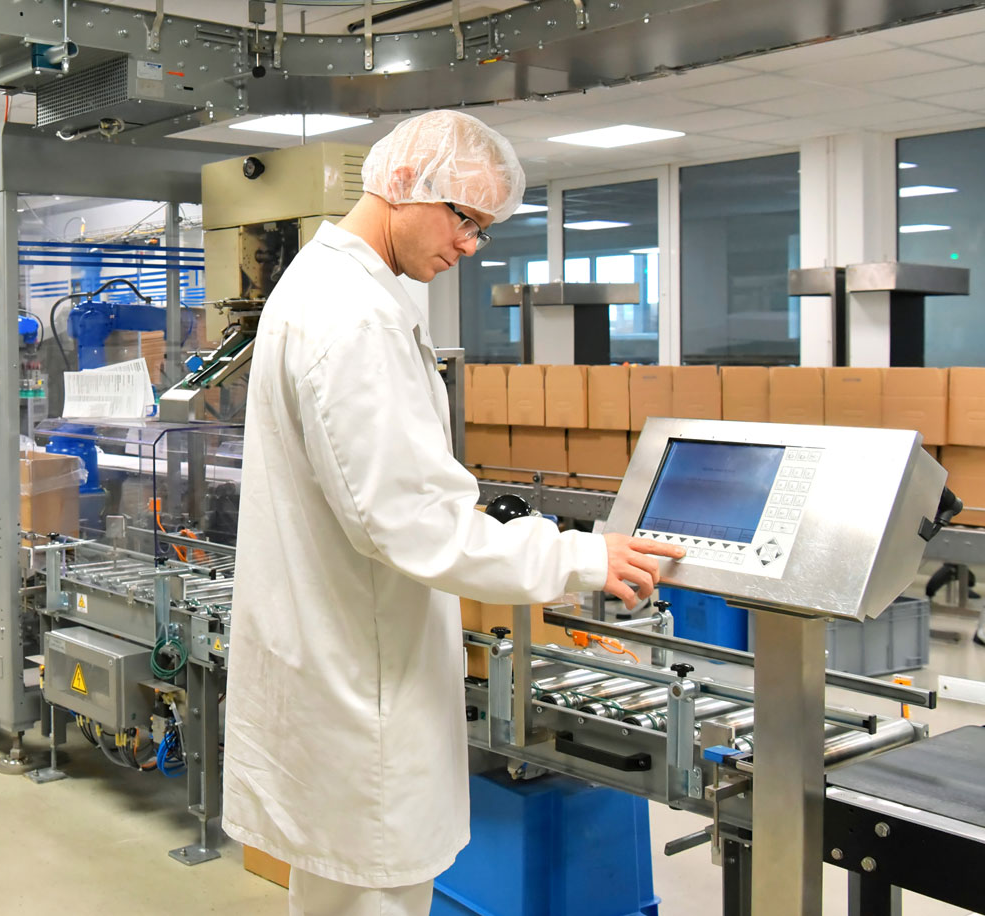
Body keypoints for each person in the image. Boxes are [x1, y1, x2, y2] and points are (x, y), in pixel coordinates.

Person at [221, 110, 683, 916]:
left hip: (337, 663)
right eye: (464, 218)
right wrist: (580, 558)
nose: (472, 245)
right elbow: (412, 523)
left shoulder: (329, 284)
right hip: (360, 683)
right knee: (374, 894)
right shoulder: (354, 316)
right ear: (402, 186)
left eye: (484, 228)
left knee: (337, 895)